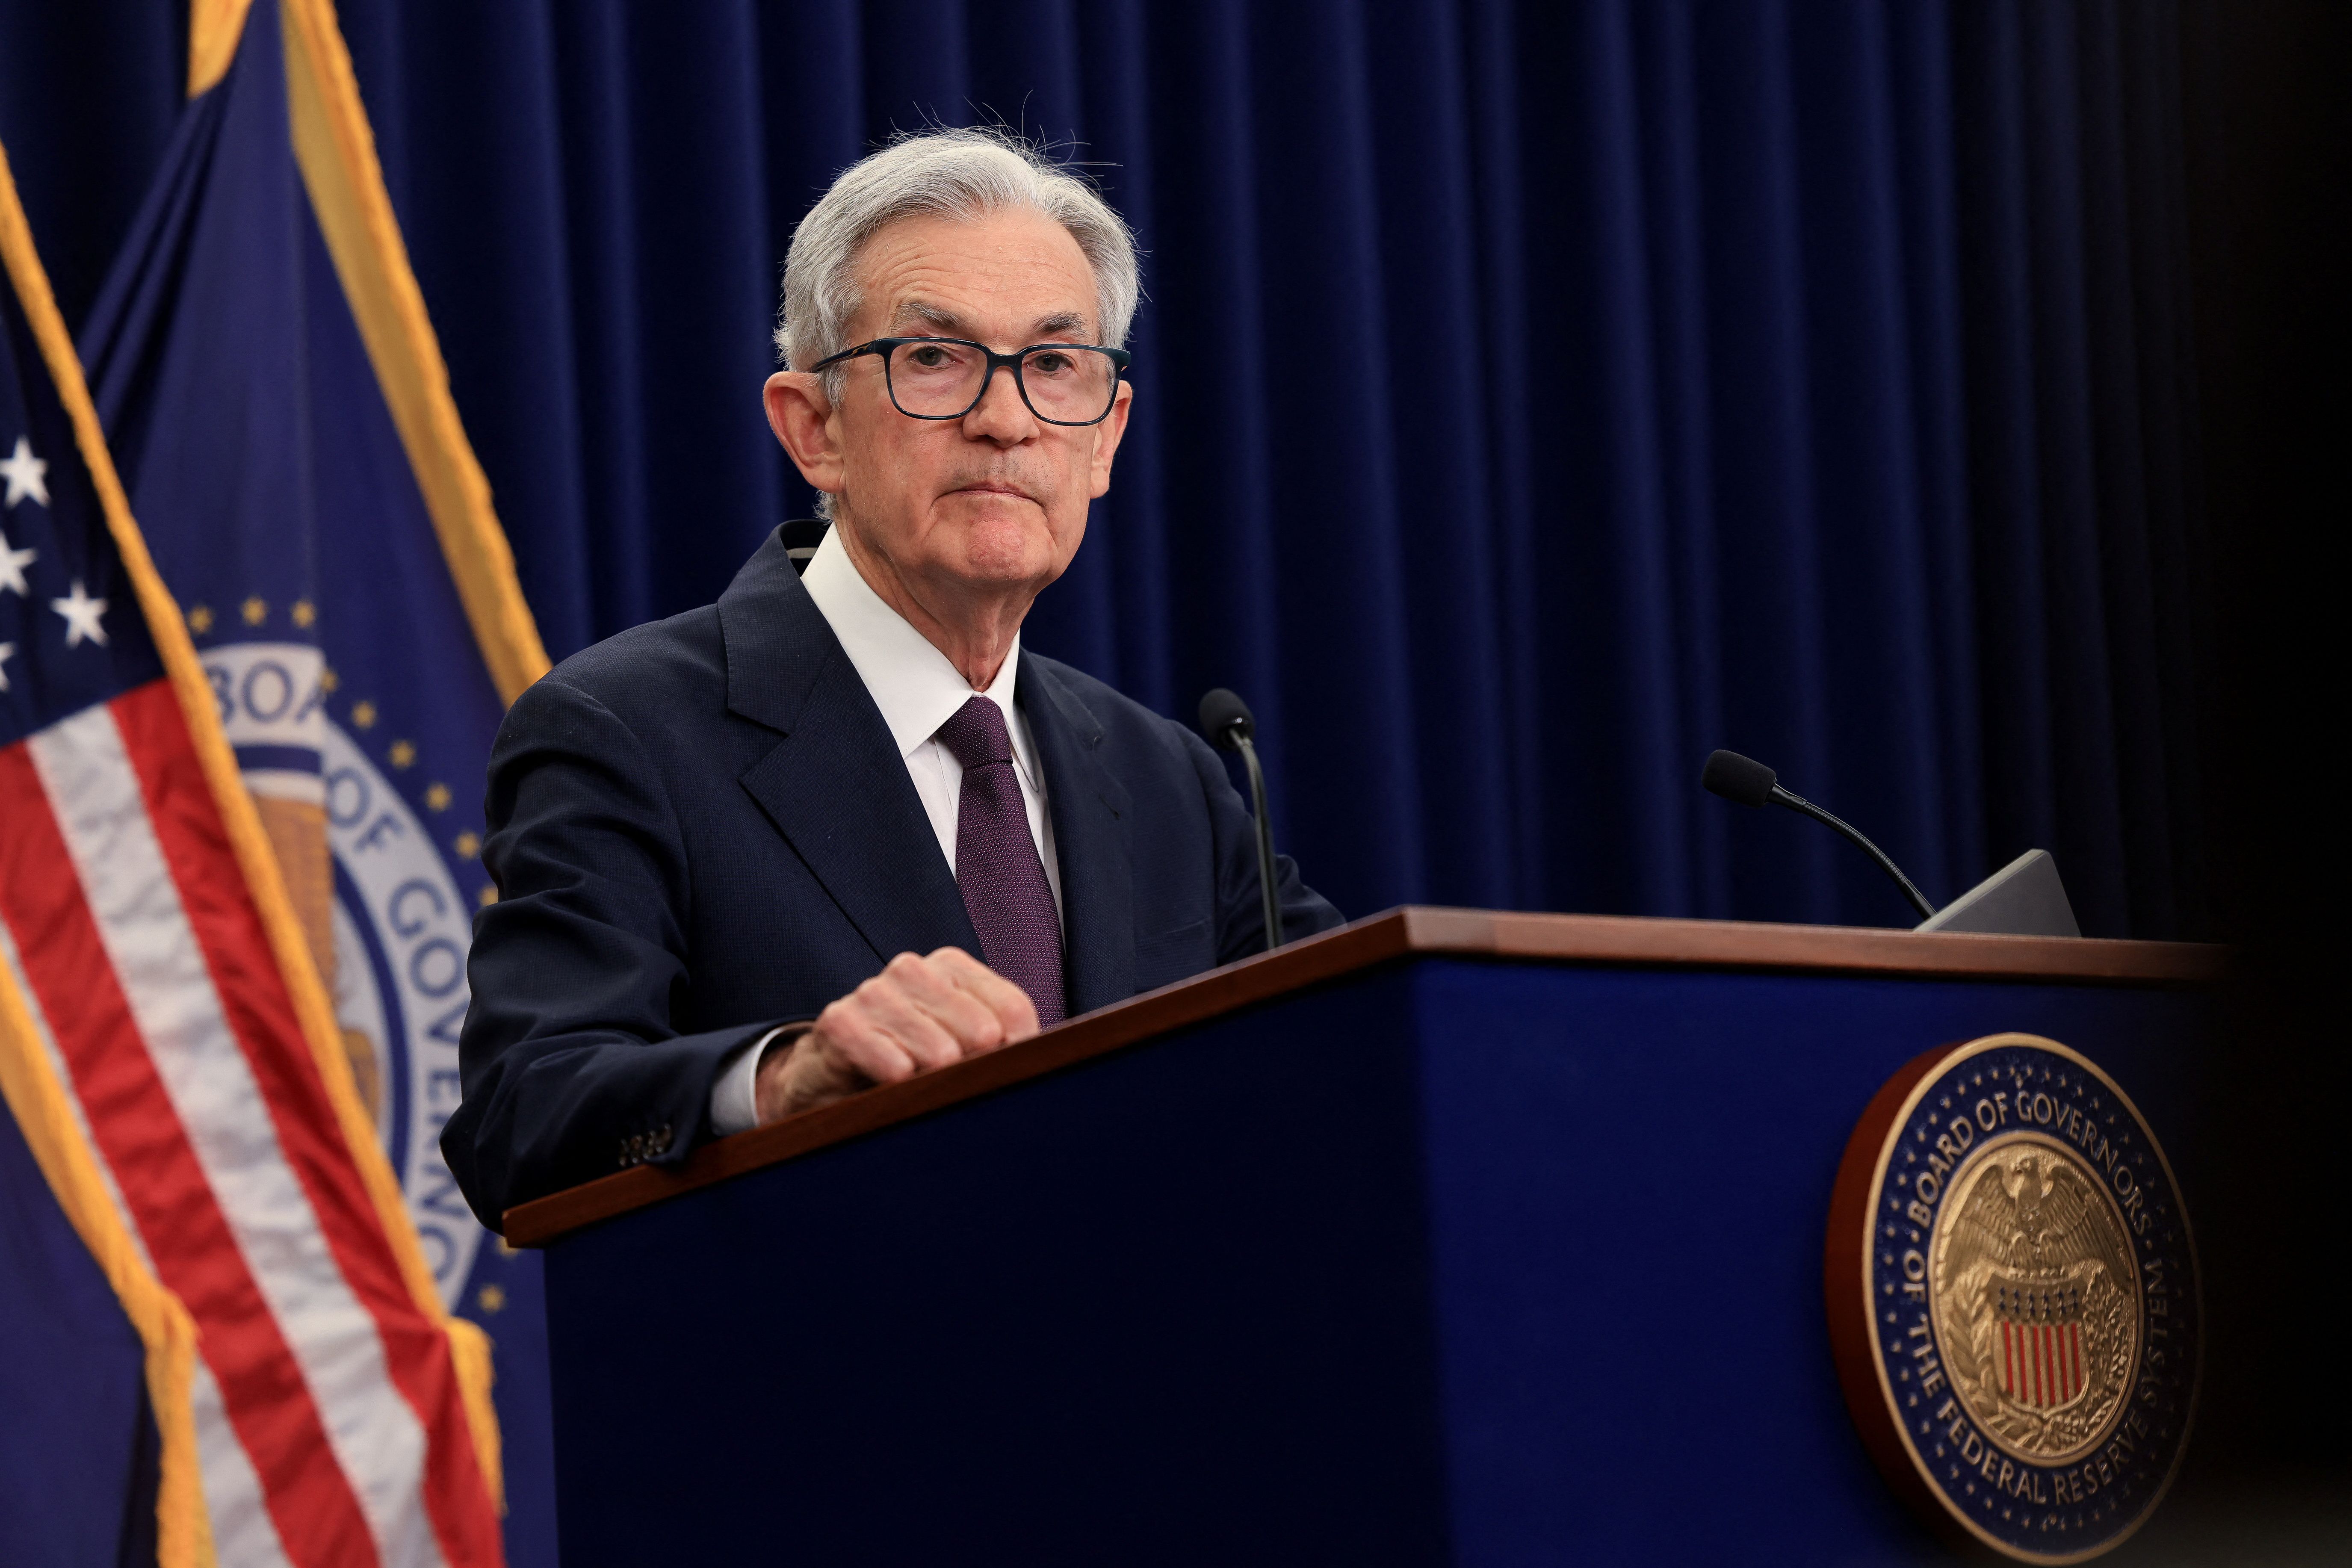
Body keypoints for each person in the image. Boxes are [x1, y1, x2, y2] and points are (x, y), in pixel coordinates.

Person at [443, 130, 1342, 1226]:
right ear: (811, 426)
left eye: (1054, 365)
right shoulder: (624, 729)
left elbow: (1357, 1055)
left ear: (1104, 440)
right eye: (933, 359)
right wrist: (780, 1079)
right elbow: (519, 1116)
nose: (1005, 420)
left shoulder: (1175, 781)